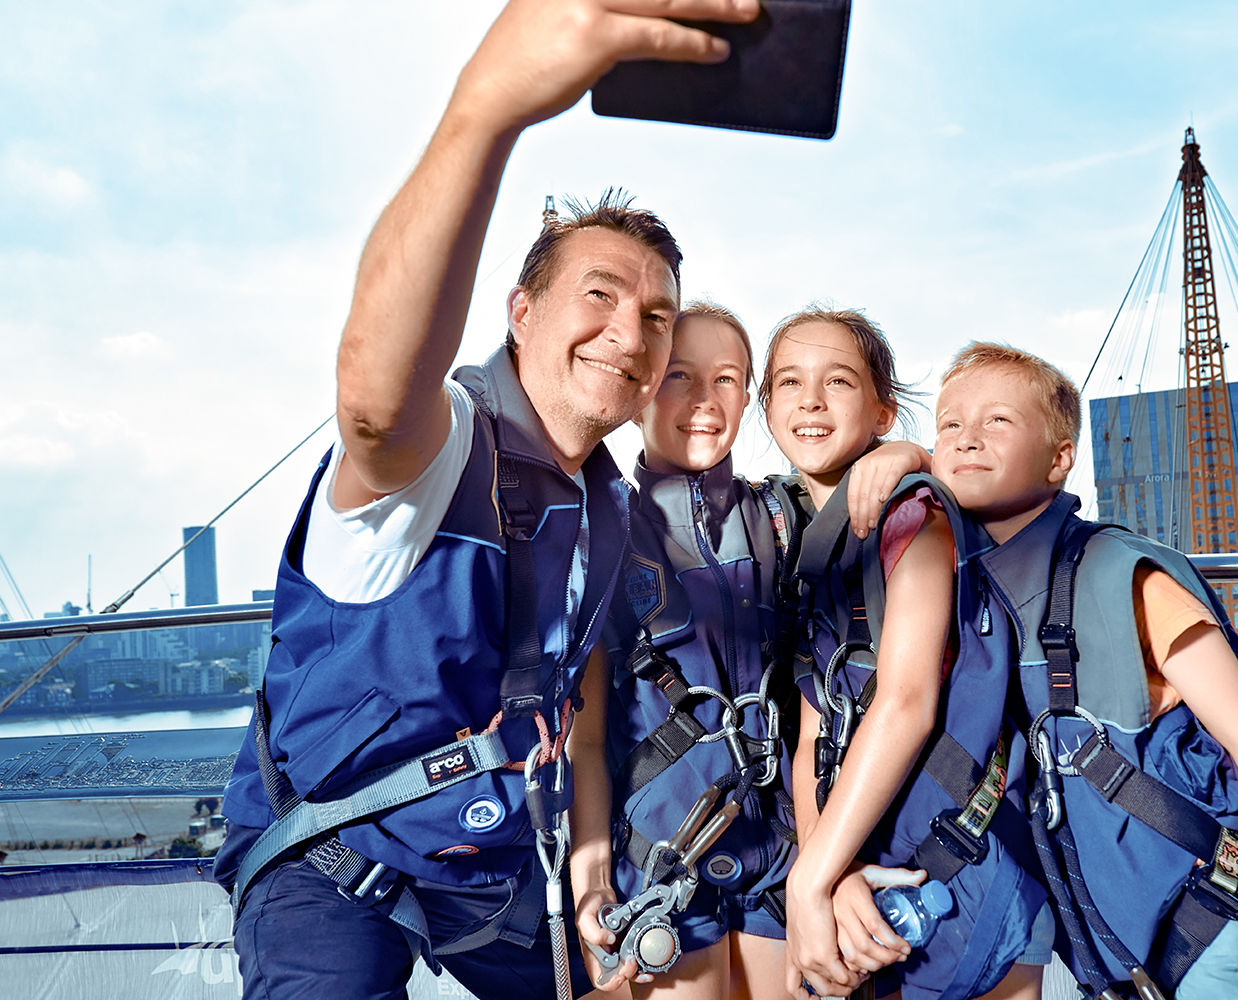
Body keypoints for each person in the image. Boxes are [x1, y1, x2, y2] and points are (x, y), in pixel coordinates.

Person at [211, 2, 761, 998]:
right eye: (597, 296)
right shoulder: (451, 444)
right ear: (522, 313)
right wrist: (486, 112)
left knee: (669, 982)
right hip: (334, 860)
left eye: (655, 316)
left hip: (501, 866)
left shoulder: (602, 500)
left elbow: (583, 712)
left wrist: (591, 867)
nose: (629, 334)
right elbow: (375, 408)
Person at [928, 342, 1238, 1000]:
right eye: (949, 424)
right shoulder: (960, 599)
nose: (967, 438)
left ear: (1060, 458)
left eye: (998, 422)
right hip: (1110, 966)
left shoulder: (1126, 576)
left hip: (1212, 933)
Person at [569, 303, 931, 999]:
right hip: (659, 863)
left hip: (783, 854)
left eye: (727, 379)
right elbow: (585, 744)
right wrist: (591, 885)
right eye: (680, 376)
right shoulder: (600, 537)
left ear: (749, 398)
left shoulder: (785, 515)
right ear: (643, 386)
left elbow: (949, 486)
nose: (705, 401)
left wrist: (904, 455)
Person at [765, 309, 1053, 1000]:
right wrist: (824, 870)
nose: (810, 400)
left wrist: (809, 883)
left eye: (837, 380)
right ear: (766, 407)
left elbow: (906, 703)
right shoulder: (802, 535)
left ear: (883, 411)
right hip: (875, 861)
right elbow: (812, 735)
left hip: (967, 860)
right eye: (787, 383)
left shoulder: (912, 518)